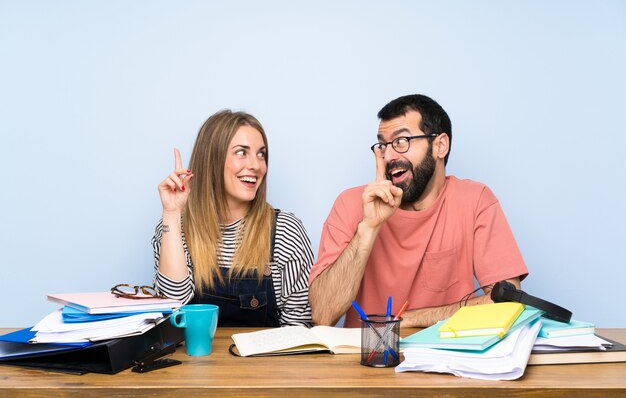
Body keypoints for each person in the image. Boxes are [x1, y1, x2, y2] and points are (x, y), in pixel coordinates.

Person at [308, 94, 528, 328]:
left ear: (440, 146)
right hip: (366, 360)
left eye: (401, 141)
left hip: (445, 358)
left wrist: (409, 319)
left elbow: (507, 302)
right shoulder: (351, 204)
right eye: (383, 144)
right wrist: (368, 229)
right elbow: (322, 314)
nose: (389, 155)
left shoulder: (475, 201)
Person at [152, 110, 314, 327]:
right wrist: (171, 214)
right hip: (196, 360)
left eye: (261, 154)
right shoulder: (175, 229)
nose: (256, 166)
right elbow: (172, 311)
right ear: (212, 160)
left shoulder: (285, 230)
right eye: (241, 152)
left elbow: (300, 328)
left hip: (268, 361)